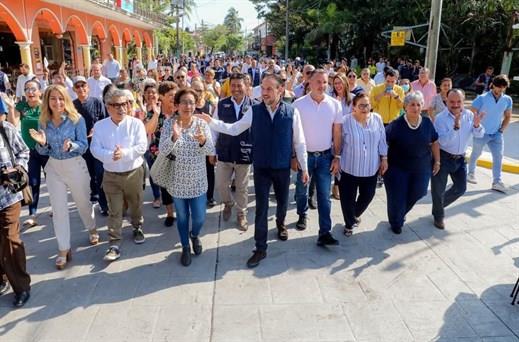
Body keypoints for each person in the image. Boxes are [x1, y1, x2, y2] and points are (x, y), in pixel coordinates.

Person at [197, 73, 308, 268]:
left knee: (282, 203)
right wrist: (211, 122)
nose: (264, 93)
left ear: (280, 89)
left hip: (282, 168)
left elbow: (299, 142)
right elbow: (234, 128)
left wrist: (304, 168)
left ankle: (281, 223)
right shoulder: (254, 111)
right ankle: (260, 248)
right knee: (261, 209)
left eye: (269, 89)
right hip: (262, 167)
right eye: (262, 88)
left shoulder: (292, 112)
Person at [30, 85, 97, 269]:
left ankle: (91, 228)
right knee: (58, 210)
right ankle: (63, 248)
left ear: (66, 99)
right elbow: (42, 149)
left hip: (75, 165)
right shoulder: (43, 121)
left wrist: (72, 146)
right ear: (47, 101)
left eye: (60, 98)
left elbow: (84, 145)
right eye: (53, 98)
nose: (57, 102)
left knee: (83, 203)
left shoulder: (76, 119)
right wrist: (42, 144)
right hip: (53, 168)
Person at [158, 88, 215, 266]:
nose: (187, 106)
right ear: (176, 105)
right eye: (183, 102)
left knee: (199, 218)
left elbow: (211, 151)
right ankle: (184, 246)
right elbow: (163, 151)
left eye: (191, 102)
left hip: (198, 181)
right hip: (177, 182)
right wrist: (174, 137)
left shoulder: (201, 124)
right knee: (182, 218)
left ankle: (194, 235)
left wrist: (203, 141)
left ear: (195, 104)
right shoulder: (169, 124)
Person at [91, 88, 148, 262]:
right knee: (114, 210)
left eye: (124, 104)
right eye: (116, 105)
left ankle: (137, 227)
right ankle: (114, 243)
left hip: (133, 173)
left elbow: (142, 146)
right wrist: (110, 156)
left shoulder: (136, 123)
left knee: (136, 204)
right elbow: (94, 149)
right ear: (108, 107)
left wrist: (124, 153)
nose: (121, 108)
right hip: (111, 175)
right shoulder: (100, 126)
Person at [293, 70, 342, 246]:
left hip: (325, 157)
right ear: (309, 83)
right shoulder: (298, 105)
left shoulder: (335, 105)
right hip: (304, 156)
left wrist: (337, 156)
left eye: (325, 82)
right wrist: (294, 156)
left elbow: (337, 133)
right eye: (318, 82)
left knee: (324, 196)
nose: (322, 86)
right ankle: (302, 214)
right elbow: (293, 134)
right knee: (301, 191)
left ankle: (324, 232)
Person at [384, 91, 440, 234]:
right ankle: (396, 221)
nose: (416, 108)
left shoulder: (427, 123)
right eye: (412, 104)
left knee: (420, 191)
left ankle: (399, 213)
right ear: (405, 106)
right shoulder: (396, 125)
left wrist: (437, 161)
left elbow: (434, 141)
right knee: (397, 197)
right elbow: (383, 142)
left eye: (418, 104)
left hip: (421, 167)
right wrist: (382, 161)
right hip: (398, 168)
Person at [431, 89, 484, 229]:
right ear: (446, 101)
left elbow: (479, 135)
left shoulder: (470, 115)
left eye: (459, 101)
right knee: (438, 190)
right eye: (452, 102)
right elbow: (442, 142)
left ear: (464, 101)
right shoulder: (440, 118)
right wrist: (455, 127)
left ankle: (438, 207)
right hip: (443, 157)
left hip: (460, 159)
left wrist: (477, 125)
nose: (455, 105)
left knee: (461, 188)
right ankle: (438, 216)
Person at [339, 93, 388, 236]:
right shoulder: (345, 121)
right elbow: (338, 143)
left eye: (367, 105)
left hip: (370, 168)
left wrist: (384, 158)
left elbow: (382, 141)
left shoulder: (377, 119)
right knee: (347, 198)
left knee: (368, 195)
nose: (365, 108)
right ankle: (349, 224)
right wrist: (335, 159)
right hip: (349, 168)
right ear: (353, 107)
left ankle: (353, 215)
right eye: (361, 105)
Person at [213, 73, 255, 231]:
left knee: (242, 187)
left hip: (245, 152)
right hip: (224, 151)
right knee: (221, 184)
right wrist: (212, 151)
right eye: (233, 85)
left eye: (239, 85)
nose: (236, 89)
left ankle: (241, 213)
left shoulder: (253, 105)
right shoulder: (221, 104)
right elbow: (214, 127)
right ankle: (228, 203)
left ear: (246, 86)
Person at [5, 80, 48, 227]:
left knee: (53, 180)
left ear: (40, 91)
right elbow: (11, 125)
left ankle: (56, 207)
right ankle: (33, 214)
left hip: (46, 149)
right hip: (29, 151)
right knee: (33, 182)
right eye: (27, 89)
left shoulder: (45, 106)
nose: (30, 92)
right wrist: (11, 108)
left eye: (33, 89)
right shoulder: (22, 107)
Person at [0, 120, 31, 307]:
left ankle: (21, 287)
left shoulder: (5, 128)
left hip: (8, 195)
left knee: (10, 239)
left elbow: (23, 151)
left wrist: (17, 168)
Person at [467, 74, 513, 193]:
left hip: (496, 134)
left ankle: (497, 181)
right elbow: (471, 113)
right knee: (476, 153)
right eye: (498, 86)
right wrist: (477, 125)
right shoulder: (482, 98)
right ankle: (470, 173)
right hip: (481, 133)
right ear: (493, 85)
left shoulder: (507, 100)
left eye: (503, 87)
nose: (500, 90)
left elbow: (508, 116)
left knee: (498, 157)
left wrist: (502, 130)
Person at [72, 76, 109, 215]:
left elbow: (105, 121)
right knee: (88, 175)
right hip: (81, 147)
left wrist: (96, 130)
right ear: (74, 89)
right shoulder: (72, 105)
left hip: (97, 144)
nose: (81, 89)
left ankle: (104, 204)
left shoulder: (97, 102)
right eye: (78, 86)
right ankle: (94, 198)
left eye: (83, 85)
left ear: (88, 87)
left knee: (100, 173)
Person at [144, 82, 177, 227]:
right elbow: (149, 130)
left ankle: (182, 210)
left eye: (175, 94)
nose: (174, 97)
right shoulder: (154, 111)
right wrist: (156, 115)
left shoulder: (180, 110)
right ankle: (170, 213)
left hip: (178, 154)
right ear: (162, 97)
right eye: (170, 95)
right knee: (165, 185)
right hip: (159, 154)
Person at [191, 79, 217, 207]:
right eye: (195, 90)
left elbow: (214, 130)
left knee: (209, 172)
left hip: (206, 145)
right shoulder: (187, 106)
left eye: (200, 90)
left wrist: (213, 151)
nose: (197, 93)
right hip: (191, 147)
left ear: (205, 91)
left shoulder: (210, 106)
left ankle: (210, 196)